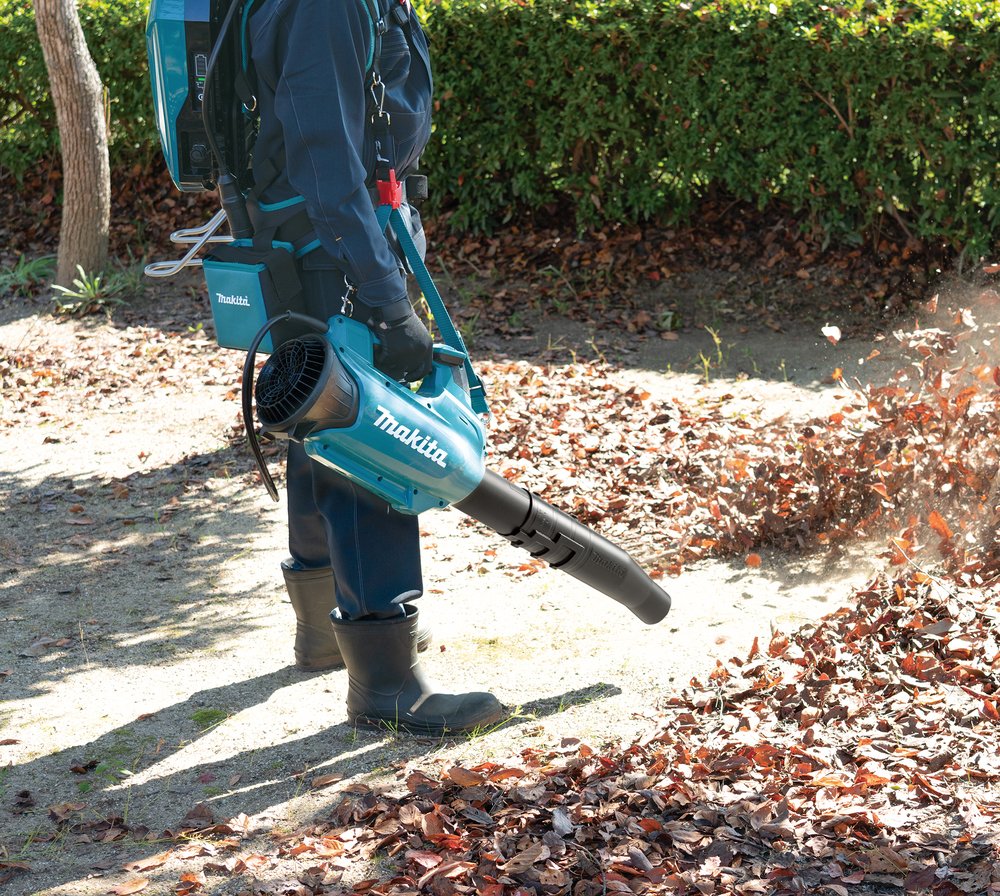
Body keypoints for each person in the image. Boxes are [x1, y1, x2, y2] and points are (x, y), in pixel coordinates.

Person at [245, 0, 503, 735]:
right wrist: (387, 299)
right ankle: (386, 682)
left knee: (321, 421)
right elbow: (327, 159)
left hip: (307, 240)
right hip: (337, 247)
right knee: (369, 439)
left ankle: (325, 634)